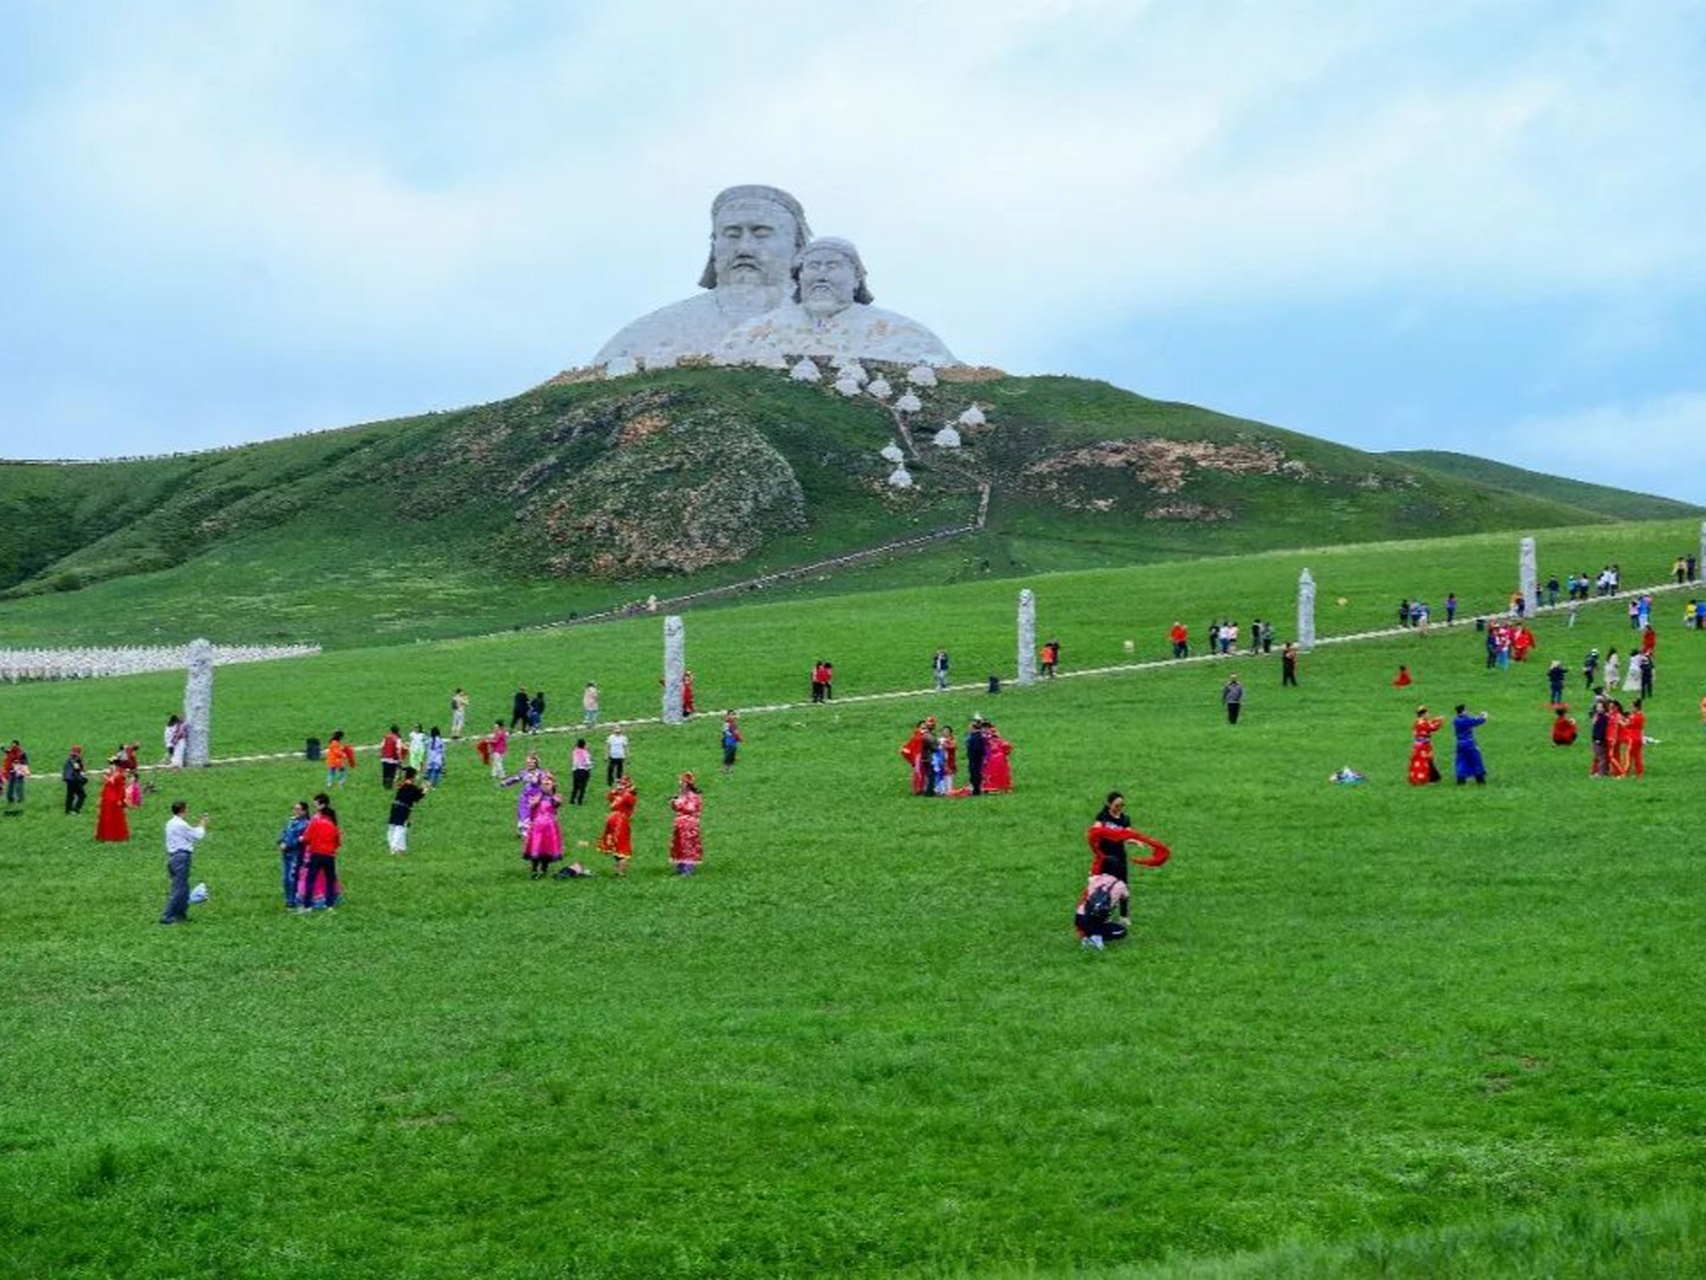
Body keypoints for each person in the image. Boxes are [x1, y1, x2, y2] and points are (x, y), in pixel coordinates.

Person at [597, 183, 815, 368]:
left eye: (761, 234)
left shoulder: (842, 323)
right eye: (732, 235)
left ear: (798, 249)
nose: (744, 248)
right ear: (714, 245)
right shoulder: (646, 334)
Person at [715, 233, 957, 365]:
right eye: (812, 266)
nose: (821, 276)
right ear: (798, 278)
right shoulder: (754, 332)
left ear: (856, 279)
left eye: (832, 266)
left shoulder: (900, 332)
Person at [1079, 792, 1171, 944]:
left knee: (1122, 885)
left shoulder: (1124, 819)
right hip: (1105, 858)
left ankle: (1124, 916)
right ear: (1109, 804)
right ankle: (1101, 912)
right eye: (1116, 805)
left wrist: (1135, 841)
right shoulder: (1102, 816)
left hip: (1119, 856)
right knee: (1102, 885)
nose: (1119, 808)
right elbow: (1095, 831)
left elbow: (1128, 834)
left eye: (1122, 805)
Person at [159, 801, 208, 925]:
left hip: (173, 857)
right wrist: (202, 824)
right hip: (181, 857)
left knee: (184, 888)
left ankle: (181, 915)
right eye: (186, 809)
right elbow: (197, 835)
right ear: (182, 810)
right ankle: (167, 916)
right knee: (179, 889)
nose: (187, 811)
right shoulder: (181, 824)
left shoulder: (170, 823)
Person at [298, 803, 341, 911]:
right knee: (330, 880)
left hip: (316, 854)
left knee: (310, 879)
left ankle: (307, 905)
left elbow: (307, 838)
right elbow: (337, 842)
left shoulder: (316, 823)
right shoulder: (334, 826)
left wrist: (301, 839)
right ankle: (329, 905)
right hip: (329, 856)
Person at [523, 774, 566, 879]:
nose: (546, 785)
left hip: (550, 827)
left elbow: (556, 804)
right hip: (537, 826)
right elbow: (531, 805)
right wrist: (540, 795)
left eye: (548, 783)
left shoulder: (556, 797)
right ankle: (534, 869)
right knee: (536, 846)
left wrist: (550, 794)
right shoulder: (536, 795)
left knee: (547, 847)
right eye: (544, 783)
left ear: (553, 785)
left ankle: (543, 869)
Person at [596, 776, 637, 875]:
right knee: (616, 845)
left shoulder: (628, 796)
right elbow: (609, 797)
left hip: (620, 821)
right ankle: (619, 870)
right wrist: (615, 790)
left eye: (623, 784)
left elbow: (631, 801)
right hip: (614, 820)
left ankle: (620, 871)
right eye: (620, 784)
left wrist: (625, 790)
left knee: (622, 845)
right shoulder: (619, 794)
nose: (620, 786)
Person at [668, 773, 705, 875]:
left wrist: (677, 803)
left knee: (688, 845)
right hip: (680, 824)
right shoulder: (682, 795)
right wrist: (673, 803)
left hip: (689, 824)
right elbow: (678, 808)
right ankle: (680, 866)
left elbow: (690, 808)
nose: (680, 784)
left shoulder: (694, 796)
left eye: (682, 782)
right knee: (678, 845)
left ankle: (688, 868)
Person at [278, 800, 310, 907]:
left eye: (298, 809)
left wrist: (288, 845)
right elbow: (284, 832)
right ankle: (288, 900)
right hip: (286, 854)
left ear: (304, 811)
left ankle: (294, 900)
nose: (295, 811)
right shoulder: (292, 821)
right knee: (285, 878)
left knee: (293, 877)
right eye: (294, 809)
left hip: (296, 854)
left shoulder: (306, 824)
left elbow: (302, 839)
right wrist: (281, 841)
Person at [1452, 705, 1489, 785]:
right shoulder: (1465, 720)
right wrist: (1484, 716)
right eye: (1466, 710)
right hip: (1469, 743)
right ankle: (1480, 780)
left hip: (1460, 744)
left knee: (1461, 761)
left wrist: (1479, 716)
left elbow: (1472, 719)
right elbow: (1477, 721)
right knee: (1476, 760)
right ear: (1463, 711)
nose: (1467, 711)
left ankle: (1461, 780)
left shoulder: (1456, 720)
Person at [95, 757, 130, 842]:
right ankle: (104, 835)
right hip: (107, 799)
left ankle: (115, 835)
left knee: (113, 818)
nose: (110, 766)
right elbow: (106, 786)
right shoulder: (111, 774)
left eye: (112, 764)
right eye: (110, 764)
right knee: (106, 817)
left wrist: (119, 799)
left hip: (114, 799)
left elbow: (121, 789)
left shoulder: (119, 775)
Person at [1409, 707, 1444, 785]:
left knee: (1427, 760)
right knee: (1423, 762)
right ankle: (1424, 778)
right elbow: (1432, 727)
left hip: (1421, 746)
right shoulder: (1422, 723)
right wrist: (1440, 721)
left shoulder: (1418, 721)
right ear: (1423, 714)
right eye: (1427, 713)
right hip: (1423, 747)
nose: (1428, 714)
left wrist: (1436, 719)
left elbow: (1429, 723)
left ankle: (1434, 777)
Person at [982, 724, 1013, 793]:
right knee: (989, 774)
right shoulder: (982, 739)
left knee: (1001, 774)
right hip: (988, 760)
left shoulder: (996, 738)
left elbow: (1006, 746)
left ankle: (1002, 787)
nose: (986, 730)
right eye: (985, 728)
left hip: (998, 760)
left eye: (987, 728)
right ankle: (989, 787)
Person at [964, 719, 988, 797]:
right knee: (975, 774)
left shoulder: (976, 737)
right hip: (976, 759)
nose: (968, 729)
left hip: (975, 760)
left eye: (970, 727)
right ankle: (976, 789)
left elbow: (977, 749)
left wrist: (973, 756)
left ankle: (976, 790)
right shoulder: (978, 736)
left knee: (975, 775)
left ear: (973, 728)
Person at [61, 745, 87, 814]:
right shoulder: (76, 760)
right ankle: (76, 809)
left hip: (68, 780)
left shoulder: (69, 759)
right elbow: (79, 769)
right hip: (74, 780)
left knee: (70, 795)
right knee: (82, 795)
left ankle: (68, 811)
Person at [1625, 699, 1647, 777]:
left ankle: (1626, 773)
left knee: (1629, 756)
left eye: (1632, 707)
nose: (1631, 709)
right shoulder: (1642, 716)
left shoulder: (1634, 716)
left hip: (1632, 738)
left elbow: (1627, 725)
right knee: (1638, 756)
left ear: (1636, 708)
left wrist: (1621, 721)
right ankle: (1639, 773)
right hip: (1639, 737)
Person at [3, 740, 27, 806]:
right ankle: (10, 799)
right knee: (10, 785)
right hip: (12, 771)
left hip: (19, 771)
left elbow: (24, 762)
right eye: (12, 745)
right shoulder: (11, 751)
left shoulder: (21, 753)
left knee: (18, 786)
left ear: (18, 745)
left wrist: (22, 770)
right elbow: (6, 751)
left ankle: (20, 799)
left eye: (14, 745)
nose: (13, 746)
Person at [569, 739, 593, 805]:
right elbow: (587, 762)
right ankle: (579, 800)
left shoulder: (574, 752)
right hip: (583, 770)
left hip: (575, 770)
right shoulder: (585, 752)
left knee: (575, 786)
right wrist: (590, 767)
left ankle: (572, 799)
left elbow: (574, 761)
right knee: (582, 786)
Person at [379, 725, 403, 789]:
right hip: (392, 758)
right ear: (397, 731)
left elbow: (381, 746)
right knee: (391, 773)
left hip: (384, 758)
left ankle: (385, 785)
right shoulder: (397, 739)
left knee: (385, 772)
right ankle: (389, 786)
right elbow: (398, 750)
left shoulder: (386, 737)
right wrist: (400, 759)